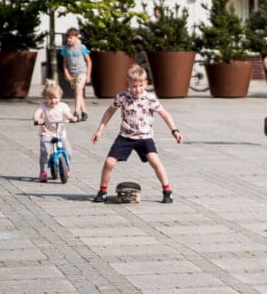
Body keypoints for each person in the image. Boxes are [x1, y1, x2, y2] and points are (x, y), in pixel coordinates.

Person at [91, 64, 183, 203]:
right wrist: (100, 130)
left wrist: (174, 130)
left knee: (155, 160)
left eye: (141, 85)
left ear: (146, 83)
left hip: (145, 138)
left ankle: (167, 190)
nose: (137, 89)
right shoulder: (122, 97)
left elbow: (164, 114)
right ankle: (102, 191)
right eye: (134, 86)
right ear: (127, 84)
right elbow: (109, 111)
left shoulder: (150, 99)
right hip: (125, 137)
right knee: (109, 162)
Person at [33, 82, 78, 182]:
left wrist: (72, 118)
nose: (53, 101)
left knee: (69, 152)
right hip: (47, 132)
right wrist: (37, 119)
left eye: (55, 98)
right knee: (44, 150)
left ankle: (66, 167)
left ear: (60, 97)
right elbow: (37, 114)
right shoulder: (43, 106)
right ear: (45, 97)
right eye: (50, 98)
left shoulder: (62, 106)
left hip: (60, 133)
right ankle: (43, 171)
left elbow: (68, 114)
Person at [60, 27, 92, 121]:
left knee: (78, 91)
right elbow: (65, 63)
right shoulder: (66, 49)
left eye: (71, 37)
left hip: (82, 72)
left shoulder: (81, 47)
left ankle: (76, 112)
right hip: (72, 74)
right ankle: (84, 112)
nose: (69, 39)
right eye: (68, 37)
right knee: (78, 93)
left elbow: (89, 61)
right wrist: (66, 74)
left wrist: (88, 75)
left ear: (77, 37)